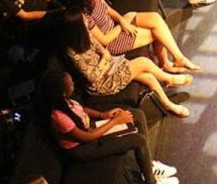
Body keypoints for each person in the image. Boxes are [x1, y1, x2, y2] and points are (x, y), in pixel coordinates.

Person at [36, 70, 180, 184]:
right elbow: (86, 138)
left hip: (90, 128)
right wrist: (115, 122)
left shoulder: (64, 101)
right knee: (139, 140)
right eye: (70, 83)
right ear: (62, 92)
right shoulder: (58, 116)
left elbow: (81, 109)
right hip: (84, 148)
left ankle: (147, 165)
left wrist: (103, 115)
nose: (73, 83)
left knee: (136, 114)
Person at [58, 8, 192, 118]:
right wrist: (104, 63)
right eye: (83, 22)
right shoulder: (71, 52)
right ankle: (171, 78)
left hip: (109, 65)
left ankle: (168, 104)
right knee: (143, 62)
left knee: (149, 78)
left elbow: (102, 50)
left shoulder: (86, 34)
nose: (87, 23)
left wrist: (105, 59)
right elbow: (92, 77)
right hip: (101, 83)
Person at [70, 0, 201, 71]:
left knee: (155, 19)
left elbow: (109, 10)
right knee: (156, 33)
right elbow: (104, 40)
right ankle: (167, 63)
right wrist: (123, 25)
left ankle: (176, 59)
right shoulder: (83, 15)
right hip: (112, 41)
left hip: (118, 25)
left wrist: (122, 20)